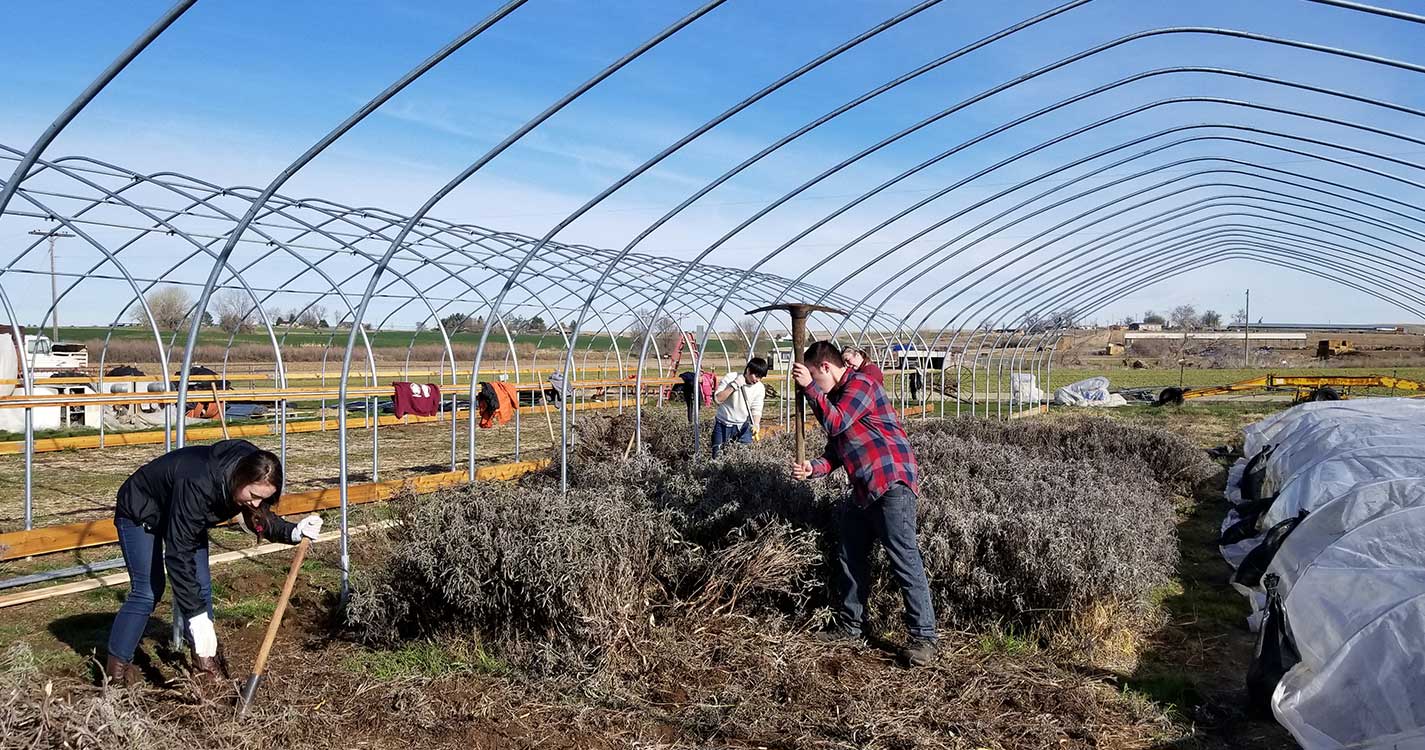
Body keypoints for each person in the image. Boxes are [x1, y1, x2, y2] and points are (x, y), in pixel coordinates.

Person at [105, 439, 322, 692]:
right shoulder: (199, 482)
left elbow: (258, 515)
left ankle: (205, 668)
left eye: (263, 498)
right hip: (143, 511)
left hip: (188, 518)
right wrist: (196, 616)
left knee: (202, 588)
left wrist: (292, 531)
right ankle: (115, 677)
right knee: (148, 591)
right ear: (240, 479)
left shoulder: (255, 468)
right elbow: (178, 554)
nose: (255, 503)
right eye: (252, 496)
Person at [789, 341, 938, 666]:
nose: (817, 385)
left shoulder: (861, 384)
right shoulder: (838, 398)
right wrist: (812, 468)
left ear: (825, 368)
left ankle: (924, 637)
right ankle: (851, 626)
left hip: (891, 482)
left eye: (817, 376)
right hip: (863, 489)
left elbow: (836, 423)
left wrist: (810, 389)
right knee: (849, 554)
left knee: (904, 558)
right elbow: (836, 450)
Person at [710, 357, 768, 458]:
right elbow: (718, 399)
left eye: (760, 377)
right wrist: (734, 386)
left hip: (744, 427)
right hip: (723, 424)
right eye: (756, 376)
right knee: (718, 457)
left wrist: (756, 423)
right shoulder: (731, 377)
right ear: (748, 370)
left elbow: (756, 408)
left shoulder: (759, 388)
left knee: (744, 459)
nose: (757, 380)